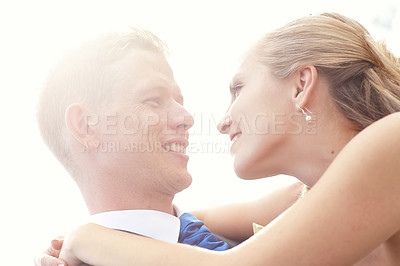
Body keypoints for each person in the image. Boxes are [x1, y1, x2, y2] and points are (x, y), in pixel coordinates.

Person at [51, 12, 400, 265]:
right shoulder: (305, 198)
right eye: (153, 101)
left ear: (300, 85)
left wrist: (87, 237)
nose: (220, 121)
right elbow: (174, 222)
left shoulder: (391, 141)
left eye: (238, 89)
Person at [35, 29, 303, 265]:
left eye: (179, 100)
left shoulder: (275, 222)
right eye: (153, 100)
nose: (187, 118)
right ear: (87, 127)